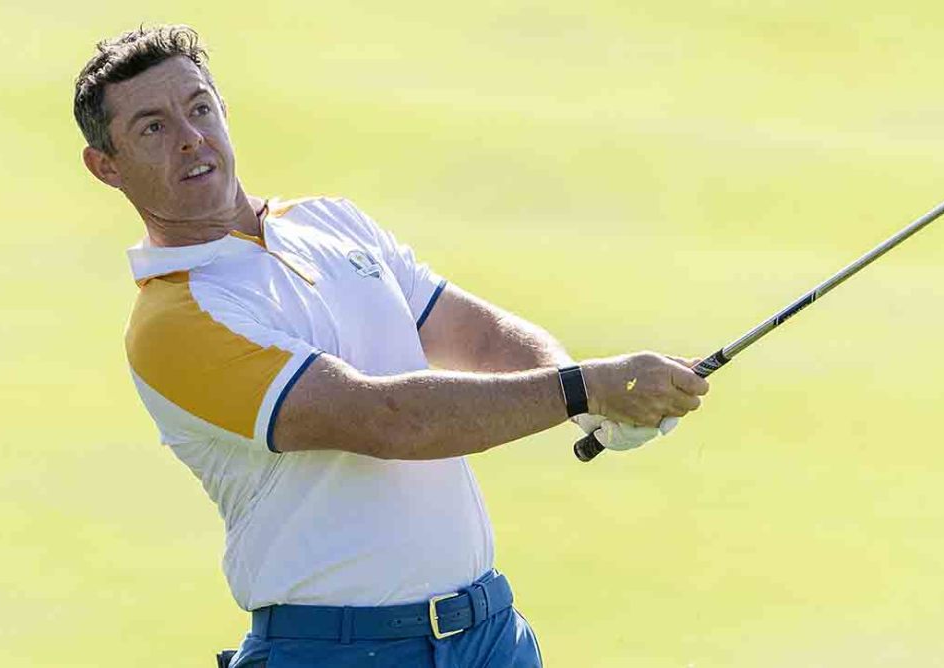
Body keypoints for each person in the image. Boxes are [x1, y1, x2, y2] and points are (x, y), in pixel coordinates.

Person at [74, 24, 709, 668]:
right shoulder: (174, 320)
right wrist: (585, 387)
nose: (191, 138)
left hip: (491, 632)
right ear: (106, 166)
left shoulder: (330, 221)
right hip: (336, 651)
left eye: (200, 107)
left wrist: (579, 393)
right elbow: (386, 420)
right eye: (153, 127)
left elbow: (475, 334)